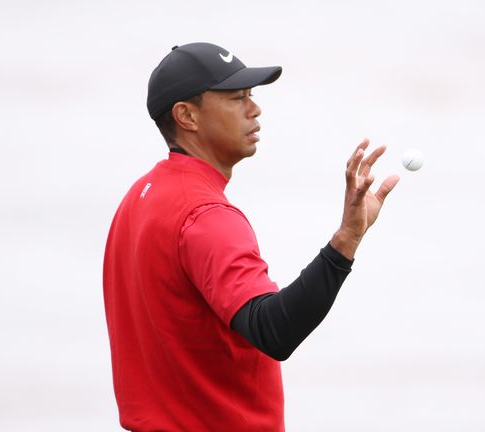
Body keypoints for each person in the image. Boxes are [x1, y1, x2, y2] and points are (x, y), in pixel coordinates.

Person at [102, 42, 400, 431]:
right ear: (187, 115)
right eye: (235, 98)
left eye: (251, 95)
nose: (254, 109)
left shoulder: (139, 198)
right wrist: (345, 241)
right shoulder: (206, 214)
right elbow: (273, 330)